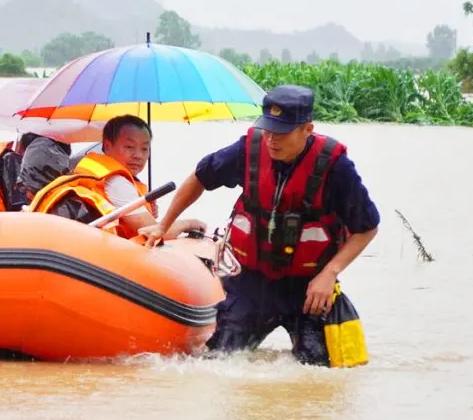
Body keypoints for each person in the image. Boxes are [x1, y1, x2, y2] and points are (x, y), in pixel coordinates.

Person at [142, 84, 379, 367]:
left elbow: (367, 227)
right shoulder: (249, 149)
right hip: (252, 281)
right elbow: (200, 177)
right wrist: (162, 225)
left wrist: (330, 274)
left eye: (281, 133)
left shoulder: (335, 167)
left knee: (320, 370)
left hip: (309, 288)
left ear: (307, 129)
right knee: (218, 362)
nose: (271, 140)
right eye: (267, 130)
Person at [31, 114, 203, 239]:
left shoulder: (91, 168)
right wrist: (189, 224)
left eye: (145, 148)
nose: (138, 155)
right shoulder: (116, 182)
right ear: (107, 145)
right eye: (129, 147)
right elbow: (154, 231)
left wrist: (147, 208)